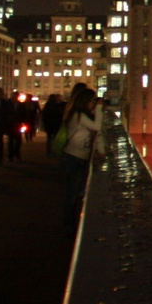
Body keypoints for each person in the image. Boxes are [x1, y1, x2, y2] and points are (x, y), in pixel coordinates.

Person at [59, 83, 103, 229]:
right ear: (85, 102)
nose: (93, 103)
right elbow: (97, 126)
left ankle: (70, 222)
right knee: (72, 193)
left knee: (74, 191)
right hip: (74, 157)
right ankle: (69, 225)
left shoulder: (78, 114)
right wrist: (99, 109)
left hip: (75, 156)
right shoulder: (79, 116)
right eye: (92, 101)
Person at [8, 92, 28, 162]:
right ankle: (11, 156)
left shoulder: (21, 104)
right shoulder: (8, 104)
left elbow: (24, 114)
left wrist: (23, 122)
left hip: (18, 124)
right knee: (11, 141)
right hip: (10, 124)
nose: (15, 98)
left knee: (18, 140)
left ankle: (16, 153)